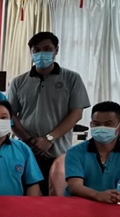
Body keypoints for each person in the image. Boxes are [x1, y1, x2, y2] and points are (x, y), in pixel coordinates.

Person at [7, 32, 90, 195]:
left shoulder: (71, 78)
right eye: (36, 50)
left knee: (55, 198)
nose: (41, 54)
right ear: (31, 52)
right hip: (25, 151)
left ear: (56, 50)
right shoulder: (18, 81)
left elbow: (76, 113)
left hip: (58, 152)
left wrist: (49, 139)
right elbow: (10, 115)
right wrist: (30, 141)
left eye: (47, 49)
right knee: (24, 198)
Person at [65, 101, 120, 205]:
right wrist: (97, 195)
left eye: (108, 124)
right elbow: (75, 186)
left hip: (118, 207)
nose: (101, 128)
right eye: (96, 124)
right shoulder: (75, 152)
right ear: (91, 124)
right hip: (81, 206)